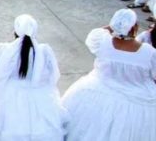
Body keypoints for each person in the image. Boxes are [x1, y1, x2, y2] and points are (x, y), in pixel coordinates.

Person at [63, 9, 156, 140]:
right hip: (137, 100)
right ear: (135, 27)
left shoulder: (103, 42)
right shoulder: (149, 53)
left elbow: (94, 35)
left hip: (97, 90)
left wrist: (114, 27)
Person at [0, 14, 65, 140]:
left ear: (15, 31)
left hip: (7, 98)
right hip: (37, 98)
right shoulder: (43, 51)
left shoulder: (4, 49)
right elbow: (54, 76)